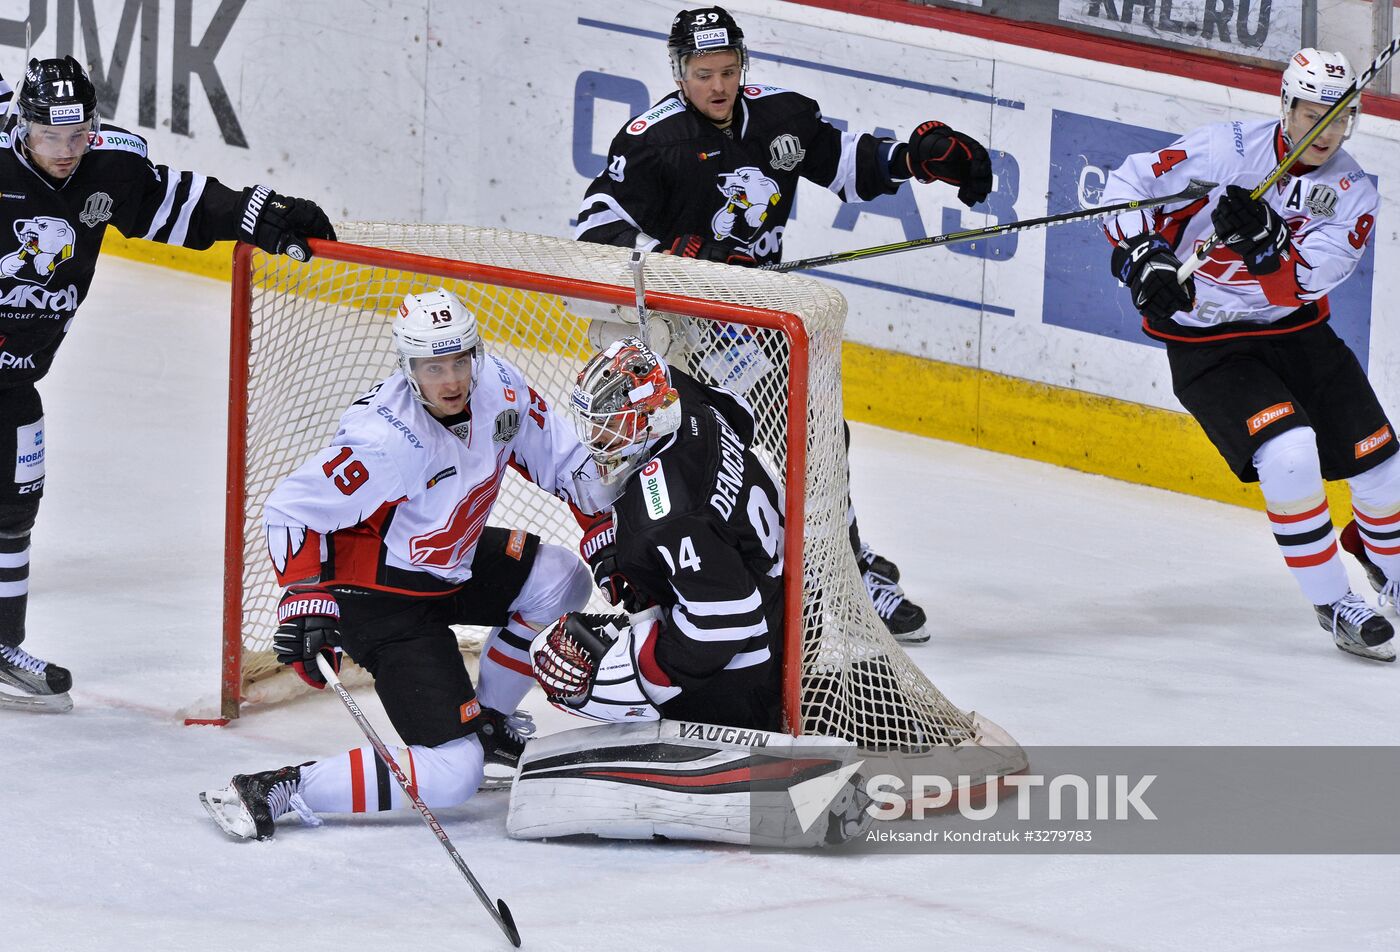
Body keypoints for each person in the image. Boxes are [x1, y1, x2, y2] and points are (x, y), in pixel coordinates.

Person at [573, 5, 996, 645]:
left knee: (816, 437)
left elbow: (851, 166)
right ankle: (693, 584)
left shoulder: (781, 117)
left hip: (753, 323)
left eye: (729, 70)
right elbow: (592, 229)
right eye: (703, 73)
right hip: (678, 331)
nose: (718, 86)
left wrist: (916, 158)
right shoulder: (652, 142)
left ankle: (843, 571)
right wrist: (673, 255)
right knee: (700, 459)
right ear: (679, 73)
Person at [199, 289, 600, 840]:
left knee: (563, 578)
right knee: (453, 776)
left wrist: (608, 527)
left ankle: (487, 724)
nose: (452, 379)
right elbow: (291, 508)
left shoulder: (501, 388)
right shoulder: (386, 440)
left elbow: (564, 458)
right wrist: (305, 603)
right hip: (384, 603)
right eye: (434, 366)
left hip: (448, 562)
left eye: (460, 360)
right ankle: (282, 786)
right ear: (409, 368)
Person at [0, 57, 336, 712]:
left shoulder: (111, 168)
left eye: (79, 136)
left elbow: (179, 205)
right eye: (51, 138)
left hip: (16, 375)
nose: (66, 153)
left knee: (15, 508)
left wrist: (260, 216)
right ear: (22, 127)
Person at [1101, 48, 1394, 662]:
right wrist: (1144, 256)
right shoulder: (1226, 148)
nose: (1324, 130)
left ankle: (1387, 566)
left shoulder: (1351, 193)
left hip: (1296, 334)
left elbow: (1302, 285)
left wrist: (1268, 245)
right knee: (1289, 452)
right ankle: (1334, 602)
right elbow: (1126, 184)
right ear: (1285, 106)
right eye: (1311, 113)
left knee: (1382, 467)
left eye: (1338, 117)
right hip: (1209, 343)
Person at [532, 336, 786, 730]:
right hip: (786, 584)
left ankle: (739, 721)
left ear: (648, 420)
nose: (597, 442)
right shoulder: (676, 390)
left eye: (612, 427)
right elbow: (743, 418)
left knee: (589, 678)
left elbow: (730, 620)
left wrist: (641, 668)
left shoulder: (669, 514)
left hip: (757, 655)